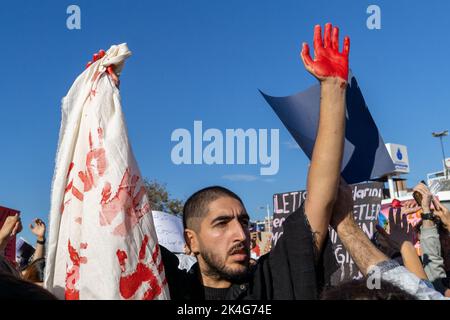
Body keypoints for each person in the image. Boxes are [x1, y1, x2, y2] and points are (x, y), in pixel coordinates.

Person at [158, 22, 350, 300]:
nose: (241, 234)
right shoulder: (167, 289)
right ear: (191, 241)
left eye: (244, 221)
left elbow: (321, 197)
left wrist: (333, 87)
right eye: (222, 223)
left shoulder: (273, 280)